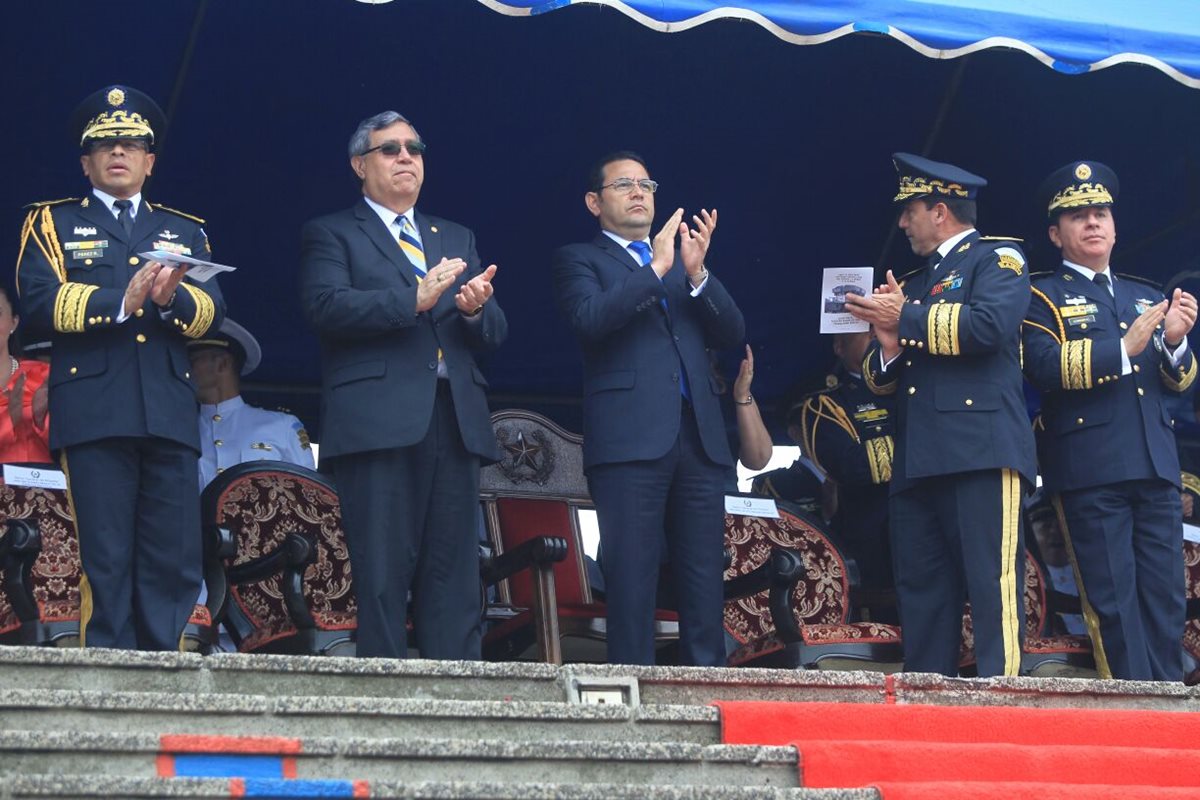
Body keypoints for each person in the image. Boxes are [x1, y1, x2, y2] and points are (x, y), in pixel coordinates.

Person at [15, 85, 225, 650]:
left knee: (173, 555)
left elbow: (212, 314)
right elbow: (37, 301)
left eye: (131, 144)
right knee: (104, 557)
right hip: (94, 409)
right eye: (105, 145)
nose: (118, 153)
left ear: (149, 160)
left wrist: (166, 300)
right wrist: (120, 302)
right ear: (85, 162)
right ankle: (106, 673)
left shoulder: (184, 229)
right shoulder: (51, 223)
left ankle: (165, 670)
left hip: (167, 410)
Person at [299, 110, 505, 660]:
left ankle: (458, 698)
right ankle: (385, 697)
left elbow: (496, 330)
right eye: (390, 149)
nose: (406, 158)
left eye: (415, 148)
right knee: (384, 570)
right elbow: (324, 307)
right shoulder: (333, 231)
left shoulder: (453, 234)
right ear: (360, 164)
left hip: (454, 418)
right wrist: (411, 299)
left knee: (456, 570)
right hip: (376, 422)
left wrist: (473, 310)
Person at [845, 152, 1036, 677]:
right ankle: (927, 710)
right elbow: (880, 380)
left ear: (940, 211)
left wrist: (904, 317)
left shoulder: (998, 260)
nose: (902, 222)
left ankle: (1005, 710)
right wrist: (888, 341)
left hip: (981, 451)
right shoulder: (916, 279)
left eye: (909, 210)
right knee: (923, 597)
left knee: (993, 589)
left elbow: (990, 327)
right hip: (918, 460)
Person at [551, 150, 745, 666]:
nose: (640, 192)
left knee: (704, 575)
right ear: (595, 202)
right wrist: (657, 267)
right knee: (632, 574)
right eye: (624, 185)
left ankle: (711, 692)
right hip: (630, 441)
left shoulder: (684, 263)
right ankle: (634, 696)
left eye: (646, 184)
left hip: (699, 439)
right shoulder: (580, 258)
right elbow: (590, 320)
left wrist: (698, 274)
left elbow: (732, 333)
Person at [1022, 160, 1197, 681]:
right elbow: (1044, 370)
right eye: (1078, 217)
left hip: (1155, 465)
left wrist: (1174, 342)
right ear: (1056, 234)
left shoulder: (1145, 294)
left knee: (1166, 596)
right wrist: (1123, 348)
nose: (1092, 223)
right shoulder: (1039, 295)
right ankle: (1132, 700)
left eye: (1100, 213)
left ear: (1116, 227)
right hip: (1090, 469)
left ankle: (1168, 700)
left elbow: (1180, 384)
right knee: (1112, 598)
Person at [795, 331, 896, 607]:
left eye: (881, 330)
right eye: (868, 333)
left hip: (931, 536)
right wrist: (920, 451)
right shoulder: (829, 404)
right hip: (875, 545)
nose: (877, 337)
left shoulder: (916, 387)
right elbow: (849, 465)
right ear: (839, 346)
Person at [188, 318, 314, 489]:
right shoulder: (181, 432)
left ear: (222, 364)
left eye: (193, 361)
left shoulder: (282, 426)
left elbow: (310, 495)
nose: (185, 369)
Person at [0, 287, 51, 464]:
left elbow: (74, 439)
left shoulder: (43, 375)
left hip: (44, 488)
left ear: (14, 322)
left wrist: (39, 420)